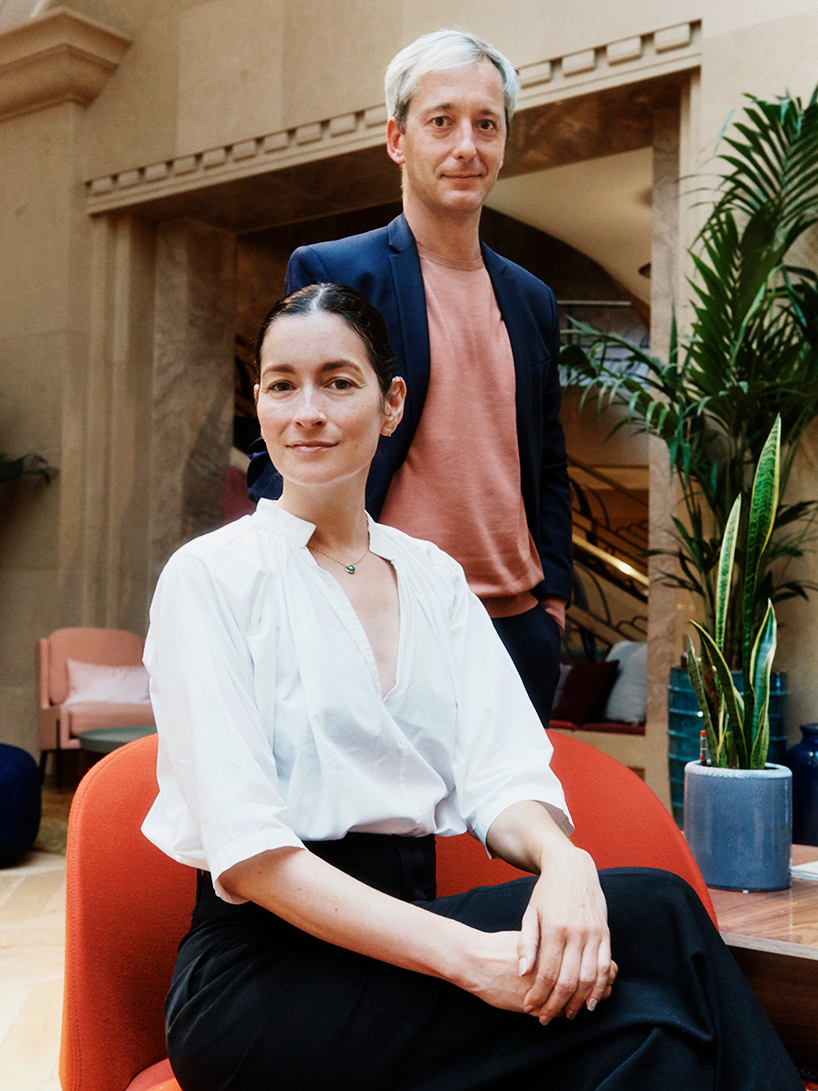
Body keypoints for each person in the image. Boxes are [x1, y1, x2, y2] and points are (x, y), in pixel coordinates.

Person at [143, 283, 802, 1091]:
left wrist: (565, 864)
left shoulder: (433, 577)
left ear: (391, 403)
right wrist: (471, 960)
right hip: (262, 976)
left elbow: (503, 774)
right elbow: (251, 858)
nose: (307, 411)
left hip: (408, 934)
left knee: (658, 1019)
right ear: (260, 403)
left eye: (338, 382)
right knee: (659, 933)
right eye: (283, 384)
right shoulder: (210, 576)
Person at [247, 29, 571, 724]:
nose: (467, 146)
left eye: (487, 124)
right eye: (442, 121)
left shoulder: (533, 299)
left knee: (513, 801)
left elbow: (547, 460)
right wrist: (311, 588)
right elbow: (284, 441)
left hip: (516, 629)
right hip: (385, 617)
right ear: (397, 138)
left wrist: (553, 604)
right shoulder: (337, 271)